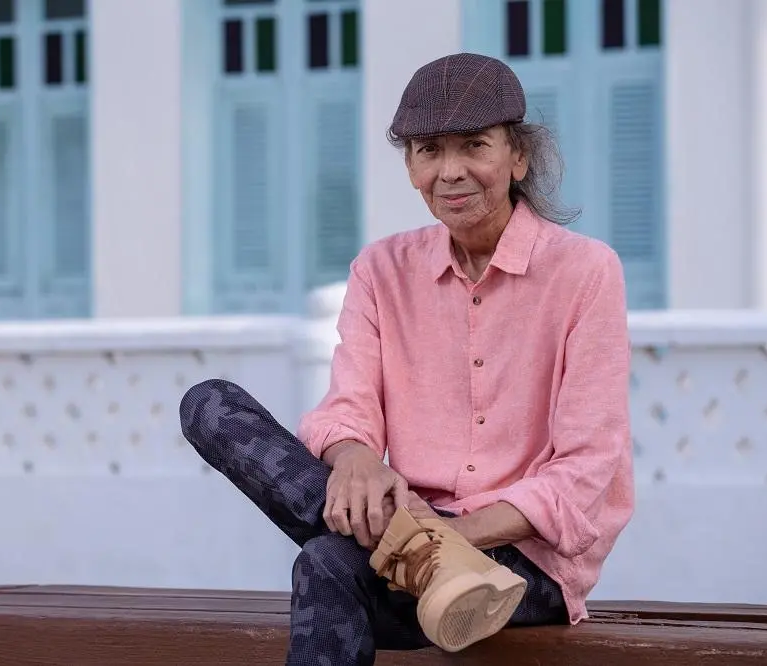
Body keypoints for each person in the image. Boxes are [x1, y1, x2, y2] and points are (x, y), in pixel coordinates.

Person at [180, 52, 633, 666]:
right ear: (410, 167)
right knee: (208, 404)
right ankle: (427, 563)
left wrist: (454, 534)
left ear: (518, 156)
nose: (451, 172)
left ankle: (440, 565)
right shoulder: (380, 270)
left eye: (474, 145)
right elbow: (350, 405)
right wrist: (357, 458)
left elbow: (586, 469)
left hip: (520, 562)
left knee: (326, 561)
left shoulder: (586, 272)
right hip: (398, 533)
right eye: (428, 152)